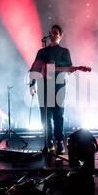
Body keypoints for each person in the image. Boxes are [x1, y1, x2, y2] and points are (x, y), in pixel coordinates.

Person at [29, 25, 72, 154]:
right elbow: (35, 68)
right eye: (51, 32)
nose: (53, 34)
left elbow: (69, 69)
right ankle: (48, 142)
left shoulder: (65, 51)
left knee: (58, 115)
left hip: (59, 87)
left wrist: (58, 68)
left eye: (56, 32)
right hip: (43, 87)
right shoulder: (42, 52)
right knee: (45, 116)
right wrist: (32, 84)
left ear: (60, 35)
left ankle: (59, 141)